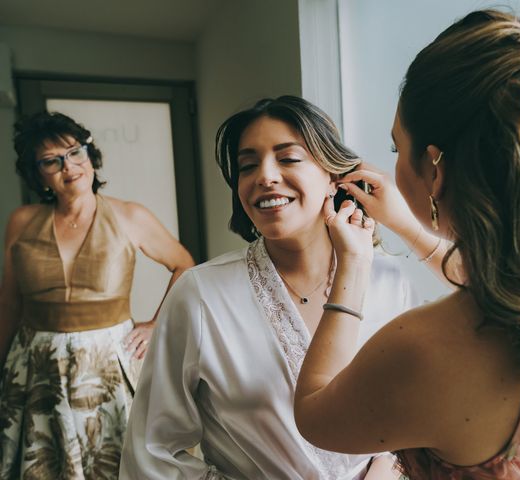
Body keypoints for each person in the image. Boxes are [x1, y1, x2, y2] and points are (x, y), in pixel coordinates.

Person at [294, 9, 520, 479]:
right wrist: (407, 223)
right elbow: (498, 281)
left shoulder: (422, 350)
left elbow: (314, 413)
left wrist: (354, 265)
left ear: (434, 166)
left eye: (397, 148)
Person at [119, 96, 427, 480]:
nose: (265, 176)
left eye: (288, 158)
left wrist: (386, 469)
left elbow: (417, 411)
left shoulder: (389, 282)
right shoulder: (201, 294)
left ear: (335, 176)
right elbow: (152, 451)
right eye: (247, 165)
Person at [0, 111, 195, 479]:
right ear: (37, 173)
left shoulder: (129, 216)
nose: (68, 166)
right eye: (50, 161)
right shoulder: (21, 222)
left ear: (90, 155)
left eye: (75, 152)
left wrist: (156, 324)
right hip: (34, 367)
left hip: (107, 365)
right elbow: (8, 302)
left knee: (117, 464)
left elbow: (185, 265)